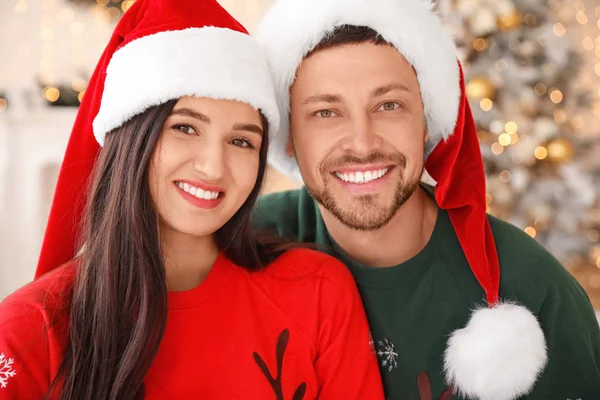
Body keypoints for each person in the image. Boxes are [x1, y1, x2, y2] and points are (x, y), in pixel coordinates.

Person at [0, 1, 385, 399]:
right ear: (131, 137)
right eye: (185, 127)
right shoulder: (29, 329)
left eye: (241, 141)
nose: (213, 167)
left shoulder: (320, 292)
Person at [251, 0, 600, 398]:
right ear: (290, 137)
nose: (363, 144)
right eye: (326, 112)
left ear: (426, 123)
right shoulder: (242, 247)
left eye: (389, 105)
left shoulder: (534, 291)